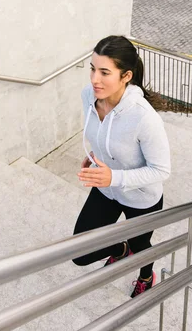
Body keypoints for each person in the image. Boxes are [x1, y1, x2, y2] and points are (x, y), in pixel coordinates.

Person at [72, 35, 171, 298]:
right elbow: (104, 132)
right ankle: (119, 250)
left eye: (105, 72)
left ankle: (146, 276)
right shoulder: (88, 96)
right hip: (107, 189)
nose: (95, 79)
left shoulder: (143, 117)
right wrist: (96, 153)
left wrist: (113, 176)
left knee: (142, 248)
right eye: (93, 69)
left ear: (126, 75)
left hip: (141, 197)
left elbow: (161, 170)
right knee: (80, 252)